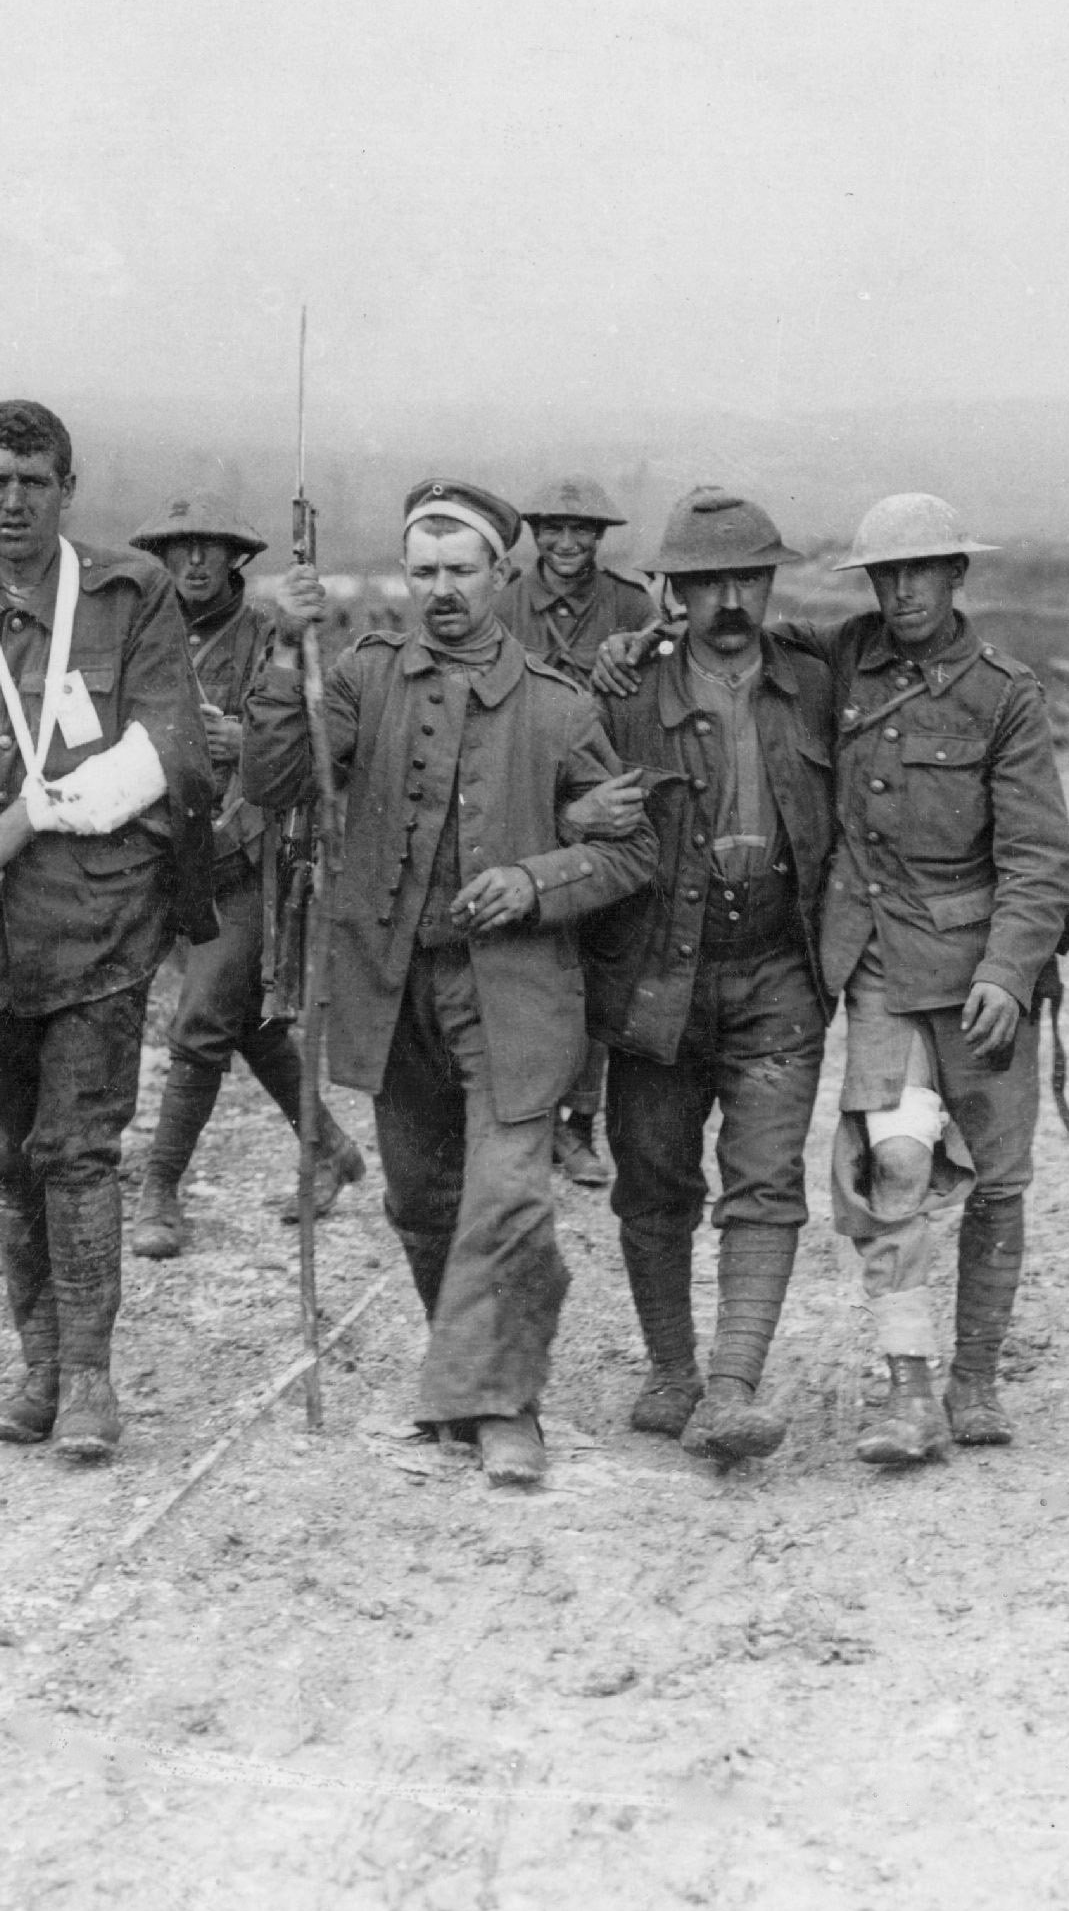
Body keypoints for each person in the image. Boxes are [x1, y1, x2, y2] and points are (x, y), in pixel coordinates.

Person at [245, 480, 655, 1486]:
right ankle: (462, 1374)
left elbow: (631, 848)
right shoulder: (360, 677)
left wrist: (533, 879)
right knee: (422, 1202)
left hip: (514, 993)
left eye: (459, 571)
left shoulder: (560, 708)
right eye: (421, 571)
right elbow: (274, 778)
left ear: (500, 574)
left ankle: (506, 1401)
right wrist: (276, 653)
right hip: (390, 986)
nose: (439, 590)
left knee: (507, 1196)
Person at [0, 401, 213, 1460]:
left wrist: (17, 825)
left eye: (32, 480)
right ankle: (35, 1367)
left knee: (77, 1149)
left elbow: (162, 749)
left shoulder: (129, 595)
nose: (11, 500)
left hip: (94, 920)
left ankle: (89, 1384)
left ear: (68, 487)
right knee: (0, 1148)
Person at [781, 493, 1069, 1462]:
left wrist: (1007, 967)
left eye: (921, 569)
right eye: (884, 572)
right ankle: (907, 1388)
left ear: (957, 574)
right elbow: (743, 648)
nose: (901, 589)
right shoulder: (839, 661)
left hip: (980, 968)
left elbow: (1038, 854)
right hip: (874, 962)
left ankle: (976, 1375)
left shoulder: (1003, 694)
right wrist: (642, 641)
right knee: (892, 1167)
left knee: (998, 1177)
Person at [575, 488, 837, 1462]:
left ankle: (731, 1385)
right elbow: (566, 788)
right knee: (652, 1179)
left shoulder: (816, 680)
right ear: (673, 592)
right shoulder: (624, 692)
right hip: (655, 976)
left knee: (766, 1181)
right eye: (707, 581)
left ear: (770, 582)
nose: (731, 598)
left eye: (748, 577)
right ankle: (671, 1367)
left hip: (778, 969)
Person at [120, 497, 366, 1258]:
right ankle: (327, 1147)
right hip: (164, 847)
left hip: (254, 852)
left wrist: (249, 735)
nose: (194, 561)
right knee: (248, 1020)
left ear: (236, 558)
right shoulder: (139, 637)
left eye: (211, 548)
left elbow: (323, 733)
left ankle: (160, 1190)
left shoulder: (271, 635)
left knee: (201, 1021)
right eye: (179, 548)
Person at [499, 476, 662, 1190]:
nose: (568, 544)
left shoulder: (629, 603)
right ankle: (522, 1119)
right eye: (554, 529)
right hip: (525, 794)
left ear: (602, 537)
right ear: (535, 533)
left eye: (584, 530)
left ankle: (579, 1125)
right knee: (527, 963)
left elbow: (660, 682)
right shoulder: (502, 605)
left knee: (598, 962)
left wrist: (640, 647)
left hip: (606, 796)